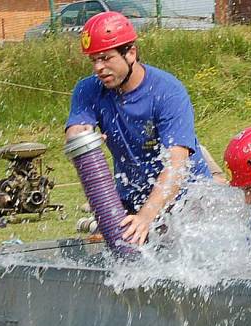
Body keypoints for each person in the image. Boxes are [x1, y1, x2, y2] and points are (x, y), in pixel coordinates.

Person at [65, 12, 211, 246]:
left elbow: (176, 165)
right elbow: (76, 132)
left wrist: (145, 218)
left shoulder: (168, 92)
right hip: (131, 196)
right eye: (93, 60)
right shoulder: (88, 90)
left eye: (106, 58)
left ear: (130, 53)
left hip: (189, 202)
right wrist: (82, 137)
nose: (99, 68)